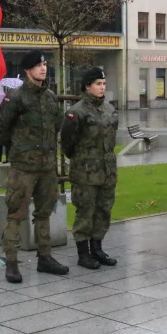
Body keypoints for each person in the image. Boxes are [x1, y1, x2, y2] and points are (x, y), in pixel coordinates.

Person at [0, 50, 69, 284]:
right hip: (23, 167)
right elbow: (0, 127)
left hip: (46, 167)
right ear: (27, 70)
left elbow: (57, 125)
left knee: (44, 212)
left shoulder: (49, 97)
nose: (43, 69)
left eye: (44, 64)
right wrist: (16, 148)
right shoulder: (15, 97)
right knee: (16, 214)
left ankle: (45, 257)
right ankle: (12, 263)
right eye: (37, 66)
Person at [61, 67, 119, 269]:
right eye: (98, 84)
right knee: (85, 211)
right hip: (85, 172)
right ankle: (83, 253)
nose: (102, 88)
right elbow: (67, 143)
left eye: (103, 84)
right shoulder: (76, 112)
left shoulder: (110, 109)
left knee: (104, 210)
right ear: (87, 87)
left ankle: (97, 248)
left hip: (107, 171)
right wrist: (82, 159)